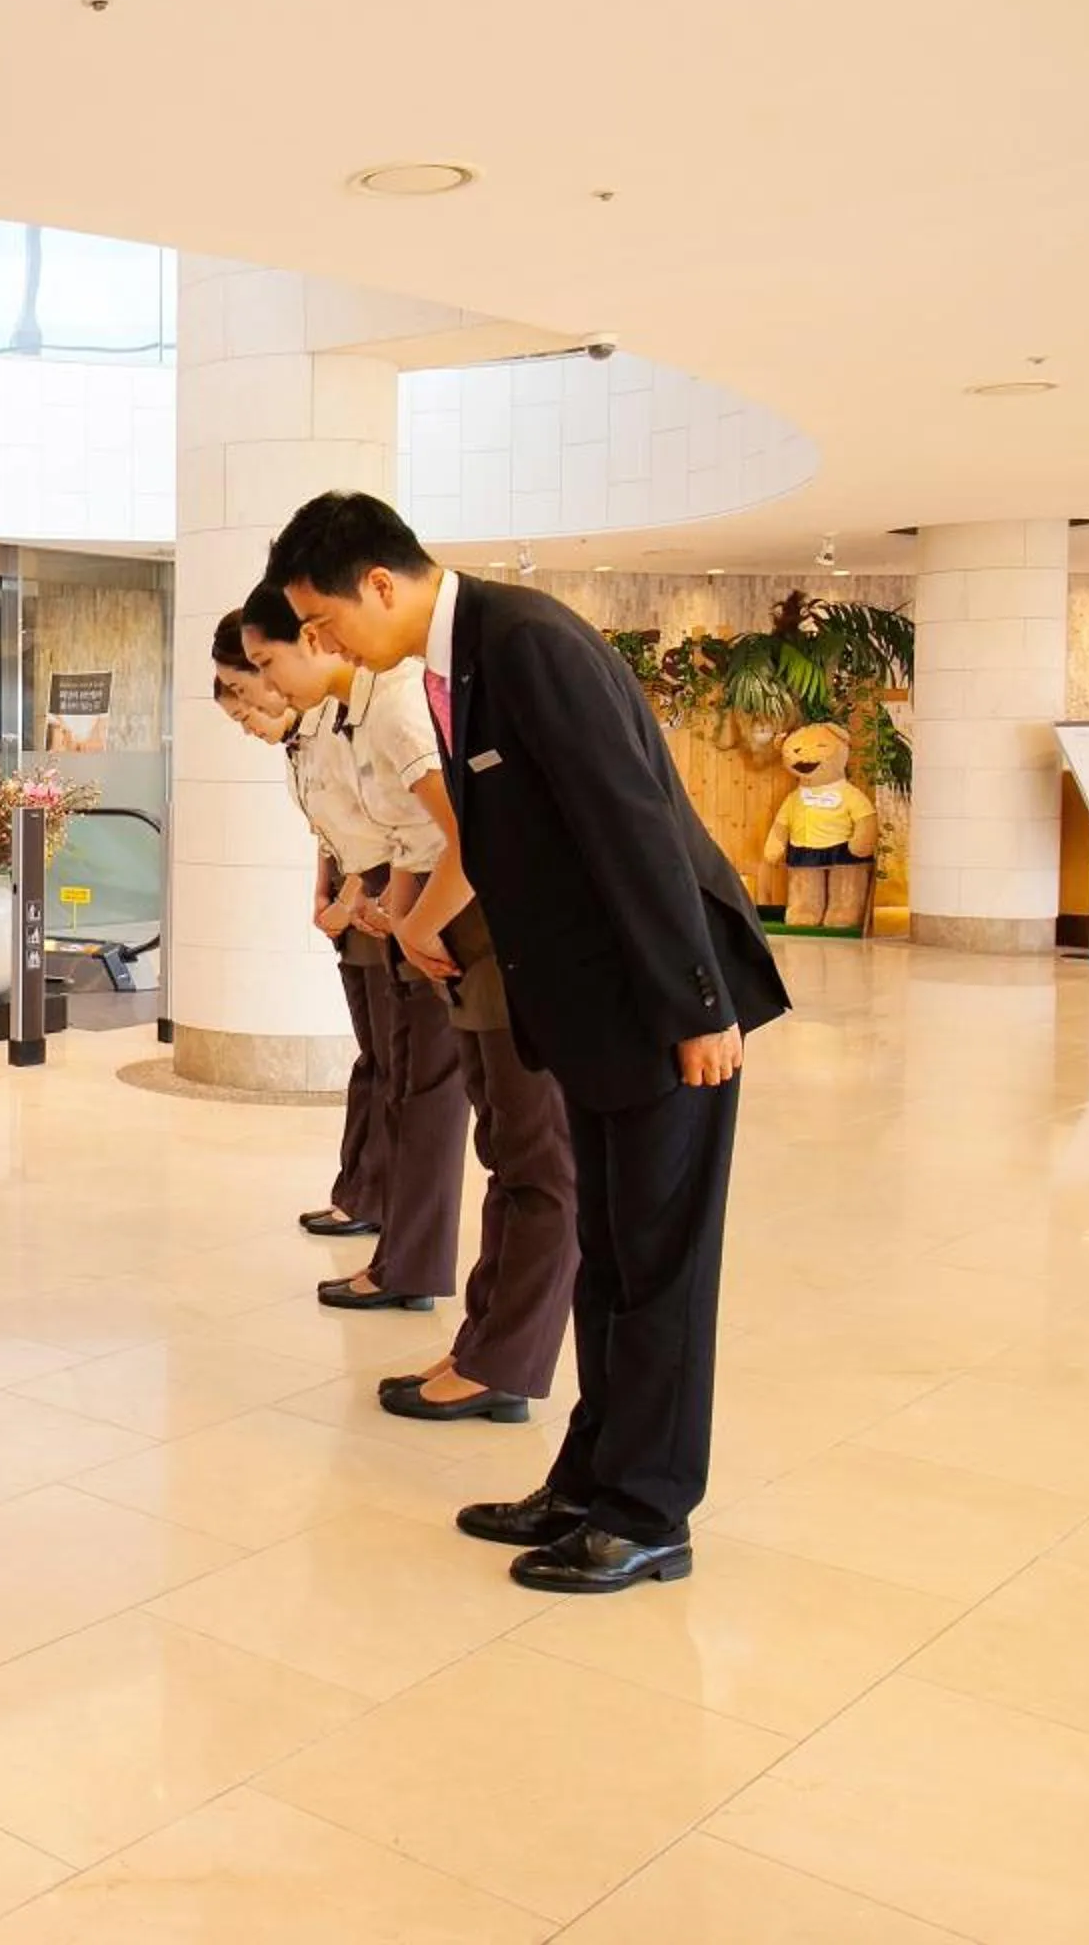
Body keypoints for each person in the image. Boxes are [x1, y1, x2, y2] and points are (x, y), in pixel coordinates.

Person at [268, 493, 787, 1592]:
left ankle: (650, 1512)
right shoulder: (465, 661)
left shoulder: (530, 642)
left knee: (662, 1272)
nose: (322, 647)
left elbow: (634, 825)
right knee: (611, 1262)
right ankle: (590, 1479)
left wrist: (700, 1008)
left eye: (321, 623)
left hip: (663, 1010)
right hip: (598, 1014)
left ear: (379, 584)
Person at [245, 589, 578, 1424]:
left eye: (264, 666)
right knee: (504, 1145)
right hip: (452, 926)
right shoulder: (374, 708)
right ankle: (486, 1346)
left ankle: (502, 1355)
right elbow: (402, 838)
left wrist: (410, 922)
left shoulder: (411, 697)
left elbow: (465, 834)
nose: (265, 692)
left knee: (530, 1158)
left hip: (494, 928)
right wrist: (399, 914)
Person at [215, 607, 399, 1252]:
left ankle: (381, 1209)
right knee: (375, 1062)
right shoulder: (301, 742)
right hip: (354, 902)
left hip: (384, 898)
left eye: (247, 694)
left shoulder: (349, 721)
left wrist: (348, 901)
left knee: (395, 1069)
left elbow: (381, 827)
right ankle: (358, 1194)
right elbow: (330, 830)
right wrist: (323, 892)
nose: (248, 717)